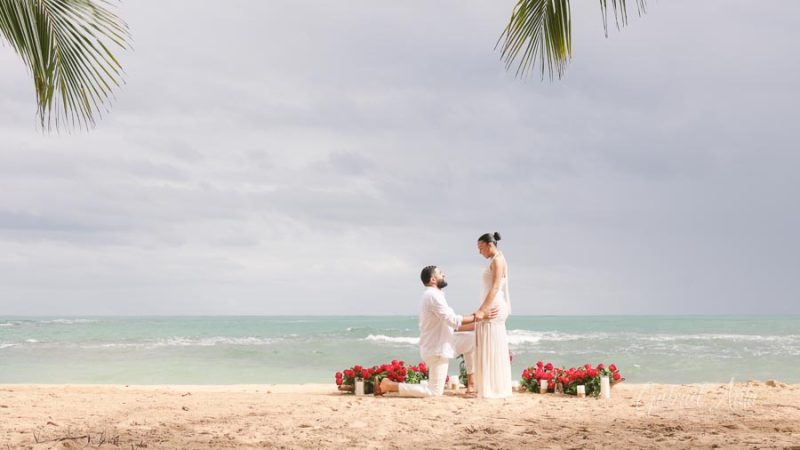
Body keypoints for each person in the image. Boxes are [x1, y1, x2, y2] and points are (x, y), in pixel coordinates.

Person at [375, 265, 496, 397]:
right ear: (433, 279)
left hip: (446, 342)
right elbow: (452, 320)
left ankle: (471, 385)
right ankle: (390, 385)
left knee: (473, 341)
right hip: (437, 348)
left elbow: (452, 325)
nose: (443, 275)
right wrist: (477, 316)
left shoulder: (436, 295)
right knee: (434, 392)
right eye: (440, 273)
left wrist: (479, 321)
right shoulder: (432, 296)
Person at [473, 232, 513, 398]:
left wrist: (482, 310)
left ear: (490, 244)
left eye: (480, 248)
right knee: (490, 344)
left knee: (491, 345)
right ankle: (491, 385)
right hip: (492, 303)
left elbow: (495, 287)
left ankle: (493, 387)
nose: (479, 252)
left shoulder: (497, 260)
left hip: (494, 306)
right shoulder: (497, 259)